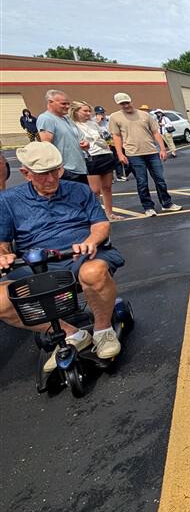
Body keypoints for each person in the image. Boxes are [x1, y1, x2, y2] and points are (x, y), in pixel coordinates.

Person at [0, 142, 124, 370]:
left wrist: (90, 241)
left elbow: (100, 224)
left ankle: (103, 330)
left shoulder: (79, 190)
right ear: (26, 173)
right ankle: (71, 334)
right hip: (36, 265)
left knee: (94, 272)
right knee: (1, 300)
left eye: (55, 171)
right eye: (43, 174)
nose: (51, 179)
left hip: (80, 257)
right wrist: (4, 255)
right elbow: (3, 242)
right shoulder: (8, 200)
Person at [109, 92, 181, 217]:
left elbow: (155, 133)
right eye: (122, 104)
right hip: (133, 154)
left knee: (160, 180)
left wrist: (163, 149)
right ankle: (148, 207)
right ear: (119, 105)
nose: (126, 105)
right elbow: (116, 136)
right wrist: (120, 154)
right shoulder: (115, 117)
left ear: (131, 101)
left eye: (127, 102)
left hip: (151, 152)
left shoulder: (145, 115)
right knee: (142, 182)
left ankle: (167, 203)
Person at [71, 101, 121, 221]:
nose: (88, 113)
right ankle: (96, 215)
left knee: (107, 187)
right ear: (76, 111)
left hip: (105, 154)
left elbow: (106, 137)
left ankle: (110, 213)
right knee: (94, 190)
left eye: (89, 111)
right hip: (91, 157)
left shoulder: (94, 124)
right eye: (85, 111)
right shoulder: (73, 126)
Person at [36, 89, 89, 184]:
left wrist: (85, 143)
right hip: (66, 171)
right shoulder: (46, 119)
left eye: (68, 104)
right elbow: (46, 146)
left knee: (83, 197)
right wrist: (58, 169)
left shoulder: (67, 119)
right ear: (50, 102)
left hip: (79, 168)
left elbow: (79, 137)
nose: (67, 107)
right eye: (63, 104)